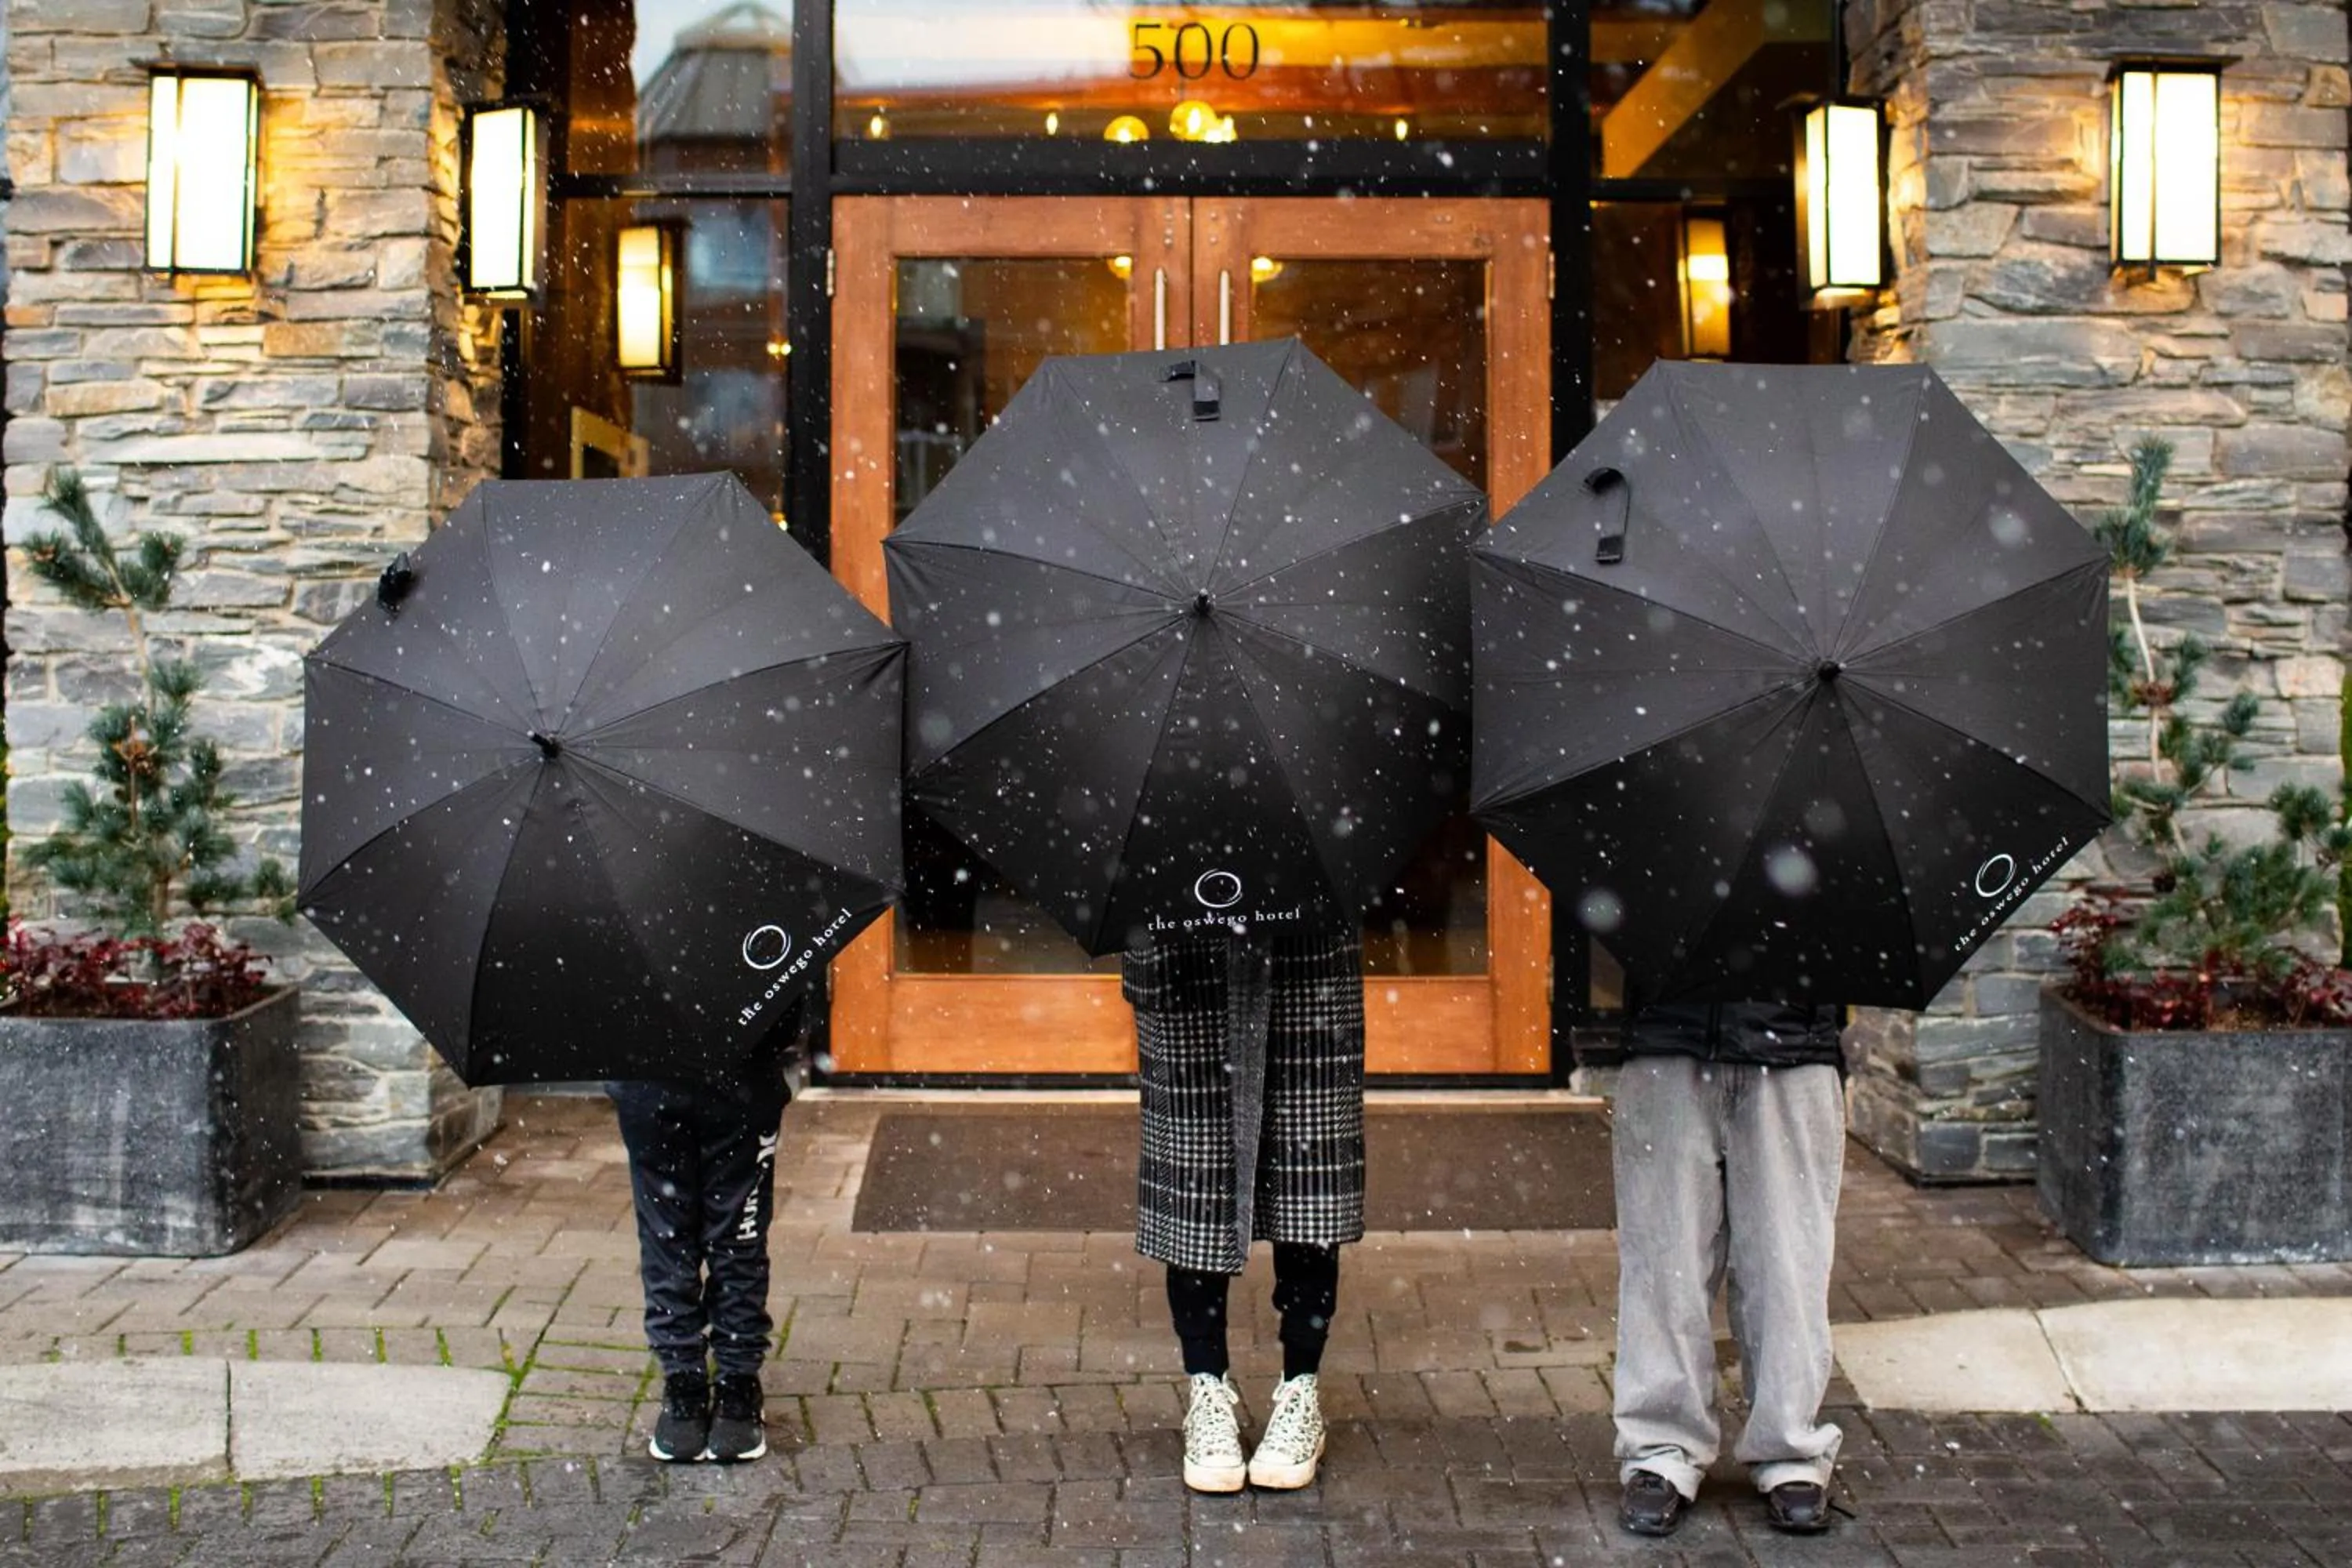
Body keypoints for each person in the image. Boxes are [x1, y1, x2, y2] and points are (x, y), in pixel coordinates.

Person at [1122, 924, 1366, 1494]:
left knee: (1310, 1177)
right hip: (1181, 942)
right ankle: (1205, 1385)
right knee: (1194, 1182)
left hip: (1305, 945)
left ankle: (1302, 1384)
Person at [1608, 996, 1847, 1537]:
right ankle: (1660, 1450)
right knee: (1662, 1265)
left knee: (1790, 1267)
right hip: (1667, 1044)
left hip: (1793, 1050)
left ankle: (1790, 1449)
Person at [606, 1006, 798, 1464]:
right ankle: (687, 1379)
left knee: (730, 1237)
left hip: (736, 1083)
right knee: (675, 1237)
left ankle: (732, 1380)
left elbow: (793, 1005)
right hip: (656, 1082)